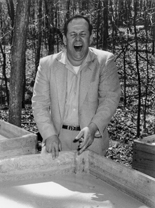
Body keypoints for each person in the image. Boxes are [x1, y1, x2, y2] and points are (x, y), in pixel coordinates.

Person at [32, 14, 121, 159]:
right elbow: (39, 104)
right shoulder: (47, 65)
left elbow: (110, 99)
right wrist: (49, 135)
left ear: (90, 38)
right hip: (57, 139)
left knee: (88, 182)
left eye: (83, 34)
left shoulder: (104, 61)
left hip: (92, 141)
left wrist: (93, 128)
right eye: (73, 34)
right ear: (64, 39)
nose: (78, 38)